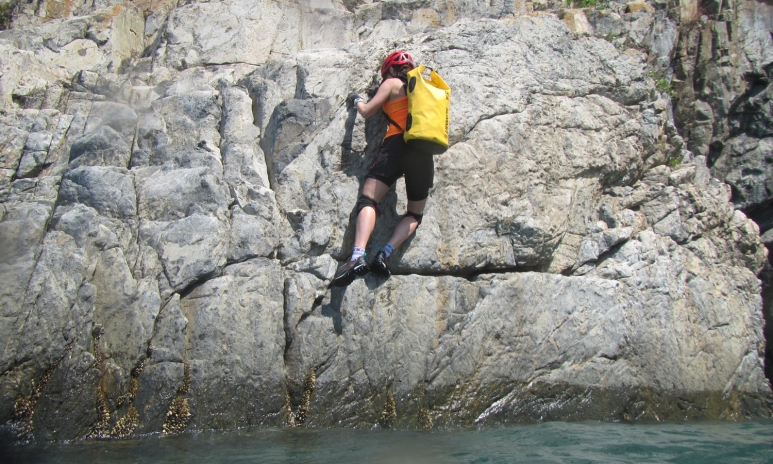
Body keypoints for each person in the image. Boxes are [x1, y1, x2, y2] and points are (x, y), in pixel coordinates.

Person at [332, 50, 434, 287]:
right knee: (414, 214)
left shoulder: (391, 83)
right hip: (423, 152)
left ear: (389, 69)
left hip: (397, 145)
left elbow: (367, 112)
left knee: (368, 200)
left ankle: (357, 257)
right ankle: (384, 253)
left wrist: (357, 100)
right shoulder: (420, 90)